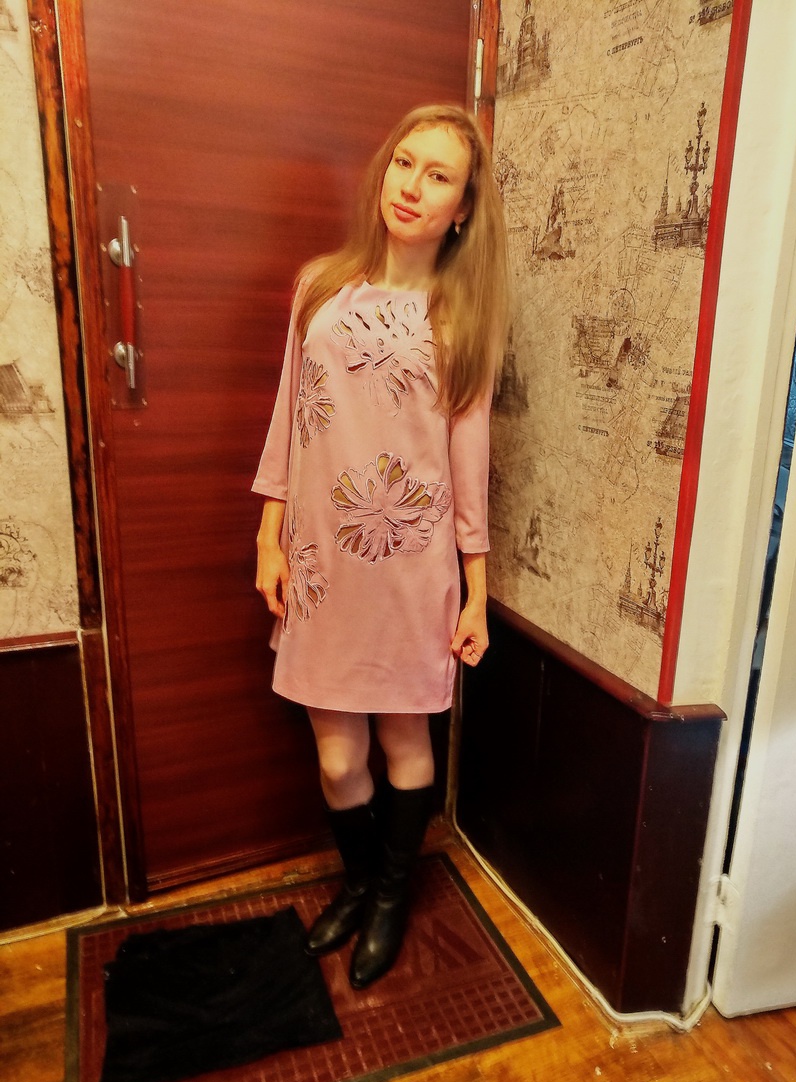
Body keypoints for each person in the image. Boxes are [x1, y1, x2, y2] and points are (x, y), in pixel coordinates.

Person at [253, 104, 509, 989]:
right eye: (405, 163)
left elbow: (469, 462)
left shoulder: (461, 317)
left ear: (462, 209)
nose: (412, 186)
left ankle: (390, 898)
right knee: (336, 757)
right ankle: (360, 885)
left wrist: (477, 592)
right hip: (322, 563)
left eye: (438, 176)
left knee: (405, 743)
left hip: (412, 567)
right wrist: (269, 537)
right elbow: (288, 420)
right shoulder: (319, 288)